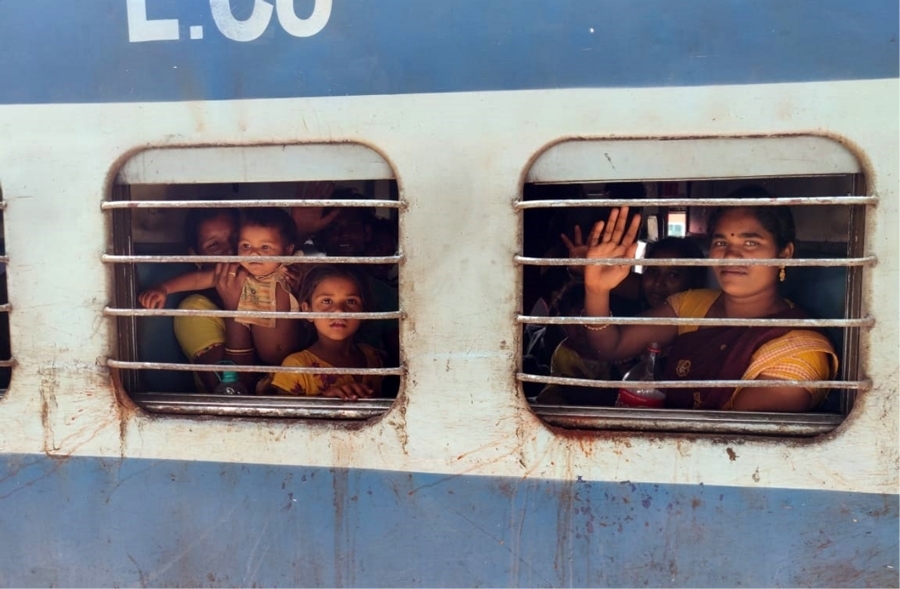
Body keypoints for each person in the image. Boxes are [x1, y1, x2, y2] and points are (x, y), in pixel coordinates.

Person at [581, 189, 837, 412]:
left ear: (784, 254)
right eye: (720, 241)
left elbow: (729, 447)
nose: (731, 255)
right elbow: (610, 346)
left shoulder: (797, 353)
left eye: (750, 242)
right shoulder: (692, 306)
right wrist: (596, 290)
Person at [537, 237, 706, 405]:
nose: (658, 283)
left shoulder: (696, 320)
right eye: (653, 271)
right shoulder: (629, 307)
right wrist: (585, 267)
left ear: (694, 281)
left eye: (673, 275)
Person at [139, 207, 308, 369]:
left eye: (235, 240)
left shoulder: (286, 268)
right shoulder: (195, 310)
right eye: (214, 245)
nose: (229, 250)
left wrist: (303, 289)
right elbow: (232, 386)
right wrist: (164, 288)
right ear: (195, 256)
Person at [265, 265, 383, 400]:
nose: (339, 311)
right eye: (326, 301)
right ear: (307, 310)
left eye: (351, 301)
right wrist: (324, 400)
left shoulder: (372, 356)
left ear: (364, 311)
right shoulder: (296, 366)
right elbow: (284, 418)